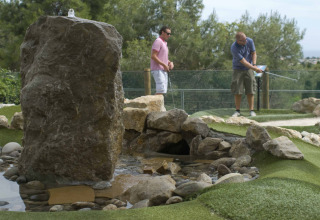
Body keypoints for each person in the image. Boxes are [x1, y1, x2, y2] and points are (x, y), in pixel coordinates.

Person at [230, 32, 263, 117]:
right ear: (238, 40)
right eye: (243, 40)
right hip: (238, 69)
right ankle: (237, 111)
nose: (245, 41)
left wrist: (254, 64)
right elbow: (244, 61)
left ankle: (251, 110)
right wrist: (255, 68)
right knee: (238, 90)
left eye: (245, 39)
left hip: (249, 69)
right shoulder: (234, 48)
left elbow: (254, 53)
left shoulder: (249, 41)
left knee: (251, 89)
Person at [150, 26, 174, 95]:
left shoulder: (164, 43)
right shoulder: (158, 41)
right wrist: (164, 65)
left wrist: (170, 62)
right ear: (162, 32)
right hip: (157, 69)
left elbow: (163, 57)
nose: (169, 35)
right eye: (168, 33)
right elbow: (153, 56)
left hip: (163, 70)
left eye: (170, 34)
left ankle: (158, 105)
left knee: (163, 91)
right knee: (160, 91)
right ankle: (153, 105)